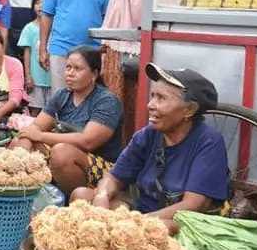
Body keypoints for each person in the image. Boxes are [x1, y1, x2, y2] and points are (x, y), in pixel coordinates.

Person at [72, 63, 230, 232]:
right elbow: (114, 177)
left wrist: (138, 222)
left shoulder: (208, 142)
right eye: (152, 96)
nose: (150, 105)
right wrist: (102, 196)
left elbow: (193, 205)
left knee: (162, 228)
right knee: (82, 196)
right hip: (143, 211)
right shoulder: (148, 134)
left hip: (180, 219)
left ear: (189, 110)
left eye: (161, 98)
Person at [11, 46, 123, 196]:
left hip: (106, 169)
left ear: (94, 74)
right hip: (67, 155)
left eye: (77, 69)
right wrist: (22, 149)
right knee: (18, 143)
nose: (70, 73)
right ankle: (24, 196)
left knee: (61, 153)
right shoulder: (62, 95)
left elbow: (88, 141)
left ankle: (71, 204)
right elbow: (36, 127)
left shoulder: (106, 101)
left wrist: (41, 136)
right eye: (68, 67)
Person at [16, 0, 50, 116]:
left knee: (53, 113)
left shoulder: (56, 28)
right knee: (35, 110)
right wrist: (28, 76)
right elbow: (27, 53)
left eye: (44, 3)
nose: (41, 6)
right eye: (37, 3)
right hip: (36, 79)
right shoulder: (29, 28)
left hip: (53, 79)